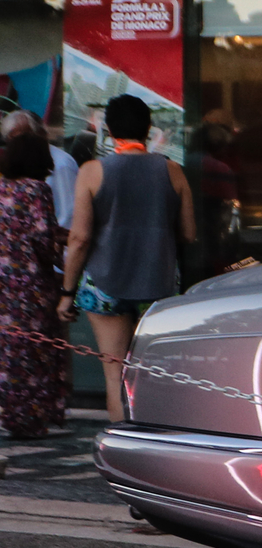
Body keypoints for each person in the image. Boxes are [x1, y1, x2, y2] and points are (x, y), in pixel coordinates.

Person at [58, 95, 194, 422]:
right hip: (158, 284)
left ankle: (124, 447)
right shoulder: (173, 171)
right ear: (149, 129)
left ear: (108, 129)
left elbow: (79, 239)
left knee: (114, 373)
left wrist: (66, 293)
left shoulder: (92, 171)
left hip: (105, 285)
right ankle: (159, 440)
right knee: (152, 372)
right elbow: (189, 234)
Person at [0, 124, 68, 437]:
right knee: (34, 352)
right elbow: (42, 237)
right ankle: (30, 417)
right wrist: (63, 250)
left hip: (3, 282)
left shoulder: (3, 187)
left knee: (8, 351)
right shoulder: (36, 190)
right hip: (30, 285)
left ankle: (8, 410)